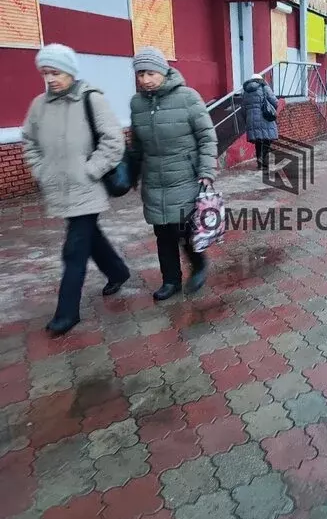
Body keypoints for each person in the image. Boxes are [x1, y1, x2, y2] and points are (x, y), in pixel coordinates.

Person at [21, 44, 130, 336]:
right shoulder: (39, 106)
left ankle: (66, 313)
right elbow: (28, 141)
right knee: (89, 238)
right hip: (58, 188)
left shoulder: (91, 100)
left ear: (70, 72)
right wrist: (40, 170)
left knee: (74, 249)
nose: (51, 79)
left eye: (56, 72)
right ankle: (118, 272)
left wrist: (90, 170)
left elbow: (113, 141)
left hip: (87, 188)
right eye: (45, 73)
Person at [129, 47, 218, 301]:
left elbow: (206, 138)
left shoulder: (188, 98)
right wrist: (132, 173)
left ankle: (199, 264)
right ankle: (170, 281)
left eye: (149, 73)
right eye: (140, 74)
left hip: (185, 175)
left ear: (163, 71)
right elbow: (136, 144)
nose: (145, 79)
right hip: (154, 179)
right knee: (162, 233)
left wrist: (206, 172)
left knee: (183, 229)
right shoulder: (137, 104)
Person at [241, 73, 279, 169]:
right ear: (260, 80)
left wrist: (247, 119)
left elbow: (243, 109)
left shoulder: (245, 91)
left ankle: (260, 164)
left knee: (258, 143)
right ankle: (265, 165)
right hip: (264, 118)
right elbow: (275, 102)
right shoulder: (264, 87)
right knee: (266, 141)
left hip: (251, 120)